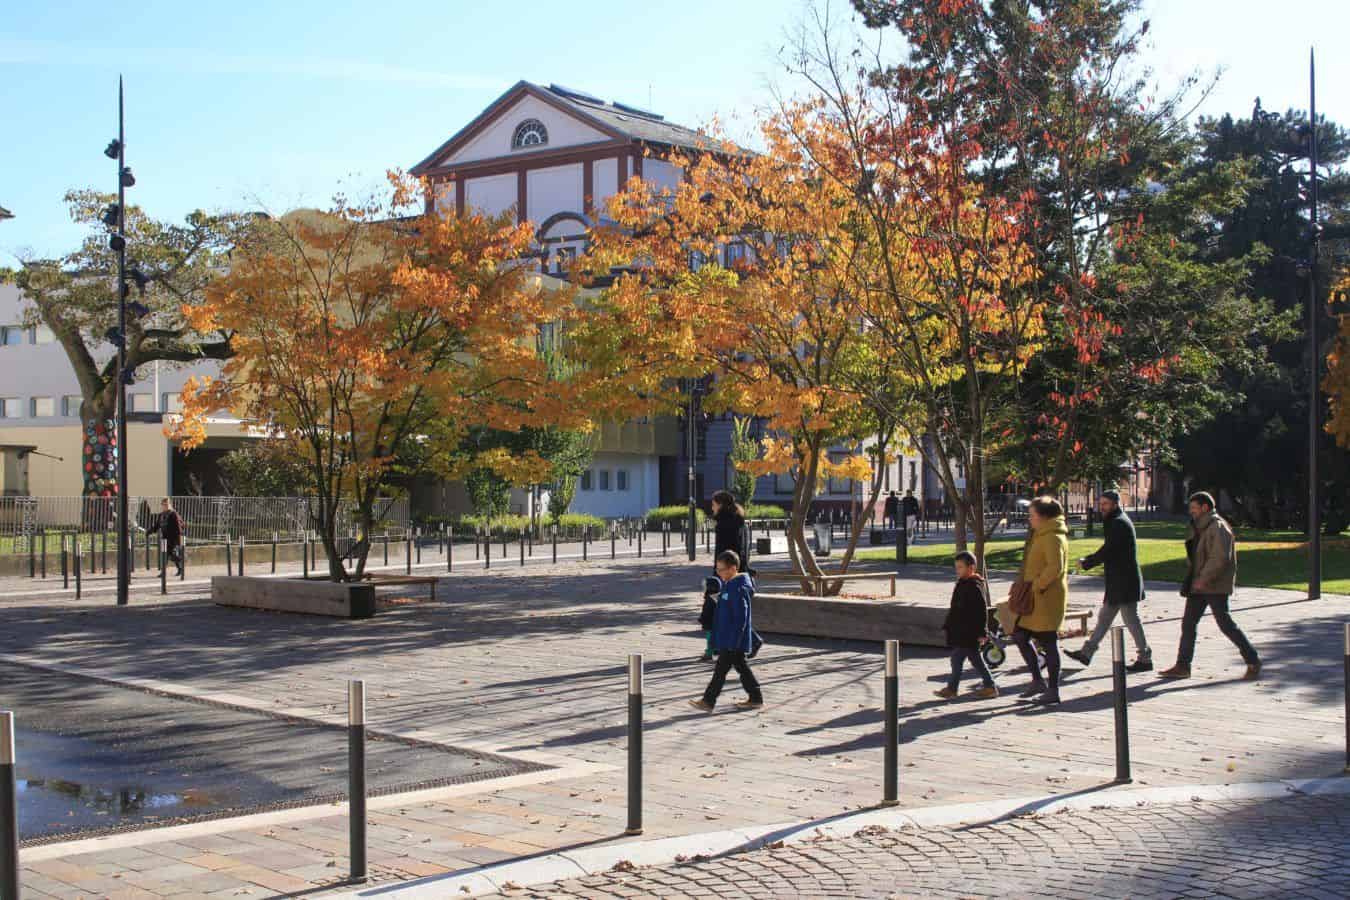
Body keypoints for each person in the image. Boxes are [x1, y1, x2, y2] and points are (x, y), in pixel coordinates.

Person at [1160, 492, 1261, 681]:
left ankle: (1253, 660)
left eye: (1194, 508)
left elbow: (1220, 558)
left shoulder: (1218, 527)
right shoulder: (1200, 527)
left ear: (1205, 507)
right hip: (1199, 584)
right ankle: (1183, 666)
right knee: (1188, 624)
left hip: (1214, 585)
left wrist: (1203, 579)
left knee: (1225, 625)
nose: (1191, 512)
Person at [1066, 490, 1153, 672]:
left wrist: (1087, 562)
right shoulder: (1115, 521)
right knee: (1105, 618)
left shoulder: (1119, 523)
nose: (1101, 507)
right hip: (1119, 580)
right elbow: (1109, 549)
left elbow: (1109, 550)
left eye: (1105, 504)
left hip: (1125, 581)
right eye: (1101, 503)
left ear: (1114, 504)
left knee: (1131, 620)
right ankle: (1086, 652)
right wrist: (1088, 559)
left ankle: (1145, 658)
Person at [1011, 496, 1069, 704]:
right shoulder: (1042, 534)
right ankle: (1037, 680)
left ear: (1044, 517)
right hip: (1035, 597)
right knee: (1019, 635)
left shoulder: (1052, 536)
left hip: (1046, 598)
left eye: (1033, 515)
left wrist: (1037, 584)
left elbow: (1055, 567)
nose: (1030, 520)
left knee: (1048, 641)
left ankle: (1053, 689)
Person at [689, 550, 764, 711]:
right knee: (741, 668)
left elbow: (741, 617)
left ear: (733, 569)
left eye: (721, 569)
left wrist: (735, 640)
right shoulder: (730, 585)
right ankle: (756, 697)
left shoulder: (737, 588)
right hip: (729, 638)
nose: (719, 573)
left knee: (720, 671)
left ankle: (708, 701)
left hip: (733, 639)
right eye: (717, 569)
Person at [935, 551, 998, 700]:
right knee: (974, 660)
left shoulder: (974, 586)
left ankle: (952, 688)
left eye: (960, 567)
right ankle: (989, 686)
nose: (958, 570)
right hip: (961, 630)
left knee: (957, 659)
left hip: (968, 632)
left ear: (971, 568)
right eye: (956, 567)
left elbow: (981, 611)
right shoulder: (962, 584)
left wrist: (983, 632)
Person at [711, 490, 749, 572]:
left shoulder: (723, 524)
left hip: (727, 570)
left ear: (720, 505)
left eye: (714, 505)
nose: (712, 508)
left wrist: (717, 570)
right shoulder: (740, 521)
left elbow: (721, 550)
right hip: (739, 568)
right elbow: (744, 549)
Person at [146, 498, 184, 577]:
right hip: (165, 538)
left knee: (169, 555)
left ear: (170, 504)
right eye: (163, 504)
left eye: (166, 504)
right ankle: (179, 568)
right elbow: (157, 526)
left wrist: (178, 540)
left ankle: (178, 567)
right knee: (167, 555)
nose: (165, 506)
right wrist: (149, 531)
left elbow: (179, 527)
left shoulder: (174, 514)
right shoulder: (161, 515)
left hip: (173, 538)